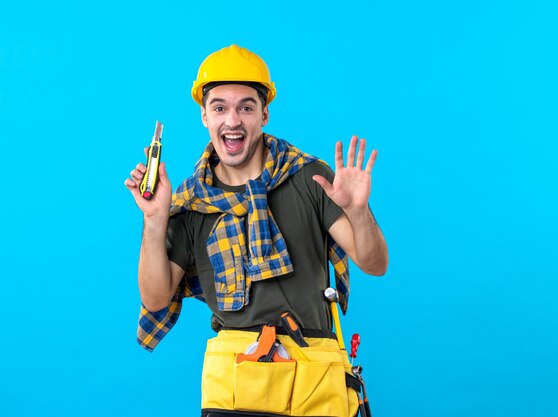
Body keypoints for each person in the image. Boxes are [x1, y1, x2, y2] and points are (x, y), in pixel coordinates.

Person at [124, 44, 388, 417]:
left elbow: (375, 263)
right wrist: (155, 218)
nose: (232, 120)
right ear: (204, 115)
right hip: (235, 385)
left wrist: (358, 212)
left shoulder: (311, 179)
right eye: (219, 107)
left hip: (315, 381)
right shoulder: (189, 202)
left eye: (246, 107)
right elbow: (155, 298)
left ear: (264, 114)